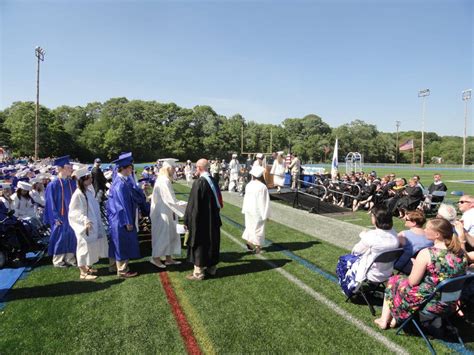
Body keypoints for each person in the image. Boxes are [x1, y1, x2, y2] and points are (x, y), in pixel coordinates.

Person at [374, 218, 467, 330]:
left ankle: (384, 320)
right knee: (400, 281)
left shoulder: (427, 253)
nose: (424, 230)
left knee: (394, 280)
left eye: (427, 228)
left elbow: (413, 282)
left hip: (430, 304)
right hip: (450, 304)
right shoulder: (461, 253)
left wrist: (416, 266)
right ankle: (394, 319)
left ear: (437, 234)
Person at [336, 206, 399, 298]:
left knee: (343, 260)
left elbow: (355, 251)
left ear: (376, 218)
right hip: (387, 272)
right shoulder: (395, 234)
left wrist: (363, 236)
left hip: (372, 273)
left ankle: (348, 288)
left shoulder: (372, 235)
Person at [184, 158, 222, 281]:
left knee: (200, 243)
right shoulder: (212, 180)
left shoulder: (199, 182)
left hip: (201, 220)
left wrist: (188, 220)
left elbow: (193, 206)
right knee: (212, 242)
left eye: (196, 167)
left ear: (199, 168)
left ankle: (198, 273)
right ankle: (212, 268)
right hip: (213, 218)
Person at [68, 167, 108, 280]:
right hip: (85, 226)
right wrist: (85, 221)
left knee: (91, 247)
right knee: (83, 248)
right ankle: (83, 272)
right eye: (89, 178)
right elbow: (74, 212)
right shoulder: (78, 194)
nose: (91, 179)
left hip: (93, 223)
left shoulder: (87, 191)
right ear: (83, 180)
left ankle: (87, 267)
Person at [106, 153, 141, 278]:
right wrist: (128, 221)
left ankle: (113, 266)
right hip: (121, 219)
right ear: (125, 168)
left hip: (116, 218)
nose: (132, 170)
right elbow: (122, 205)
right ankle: (122, 270)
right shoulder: (120, 184)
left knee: (115, 242)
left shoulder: (120, 181)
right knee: (122, 243)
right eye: (130, 168)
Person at [150, 160, 187, 268]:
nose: (175, 170)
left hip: (167, 211)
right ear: (168, 168)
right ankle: (155, 258)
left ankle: (168, 258)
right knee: (161, 235)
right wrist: (187, 205)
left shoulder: (163, 179)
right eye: (173, 168)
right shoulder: (164, 181)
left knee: (170, 234)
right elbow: (170, 200)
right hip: (162, 212)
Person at [43, 156, 77, 267]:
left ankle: (70, 258)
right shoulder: (53, 185)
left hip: (70, 215)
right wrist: (55, 217)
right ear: (61, 169)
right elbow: (50, 203)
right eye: (68, 167)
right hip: (60, 216)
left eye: (70, 167)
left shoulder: (71, 183)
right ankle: (58, 260)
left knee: (71, 235)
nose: (70, 169)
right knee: (60, 236)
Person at [241, 165, 270, 254]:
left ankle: (249, 243)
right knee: (258, 228)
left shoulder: (249, 185)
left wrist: (244, 208)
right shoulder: (262, 187)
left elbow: (245, 198)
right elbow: (265, 201)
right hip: (258, 210)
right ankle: (258, 248)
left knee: (250, 226)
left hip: (249, 209)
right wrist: (266, 214)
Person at [394, 210, 432, 274]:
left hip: (405, 265)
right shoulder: (430, 236)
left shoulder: (404, 235)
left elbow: (393, 249)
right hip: (423, 267)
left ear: (414, 223)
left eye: (406, 219)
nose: (404, 219)